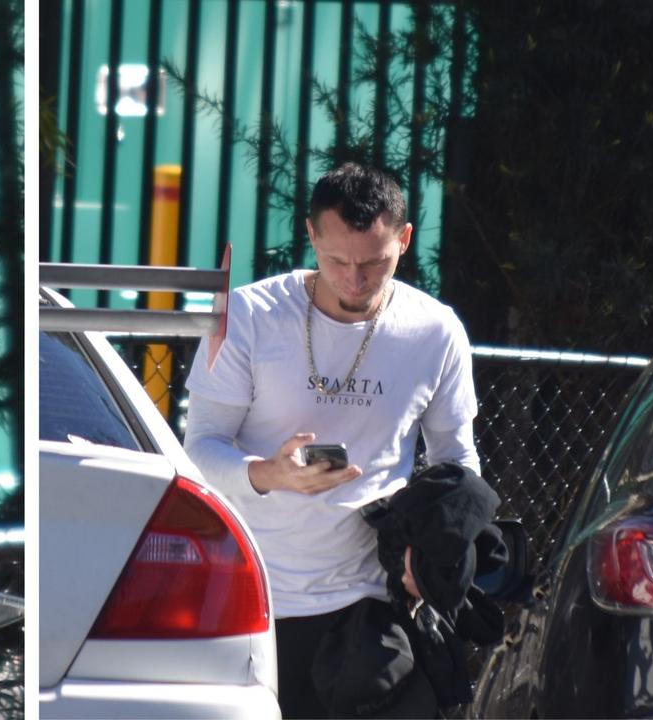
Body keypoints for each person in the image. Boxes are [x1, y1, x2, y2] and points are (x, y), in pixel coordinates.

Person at [183, 162, 480, 719]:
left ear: (405, 239)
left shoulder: (436, 330)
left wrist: (437, 550)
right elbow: (198, 448)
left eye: (374, 262)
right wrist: (268, 474)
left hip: (372, 601)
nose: (354, 280)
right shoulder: (251, 316)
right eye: (337, 260)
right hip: (251, 596)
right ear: (311, 234)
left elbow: (457, 461)